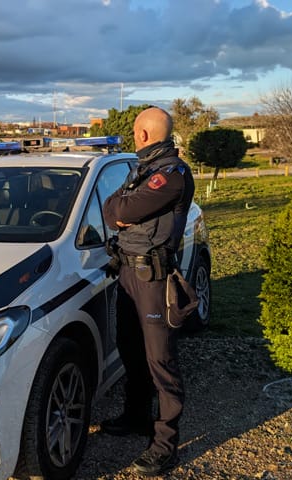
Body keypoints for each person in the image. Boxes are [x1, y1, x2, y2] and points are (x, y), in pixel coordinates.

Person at [100, 107, 195, 476]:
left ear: (142, 134)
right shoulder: (145, 169)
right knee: (130, 348)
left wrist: (121, 211)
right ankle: (136, 416)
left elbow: (116, 211)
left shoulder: (170, 175)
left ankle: (165, 444)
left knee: (161, 362)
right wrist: (120, 211)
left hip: (153, 279)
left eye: (134, 131)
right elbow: (115, 210)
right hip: (128, 271)